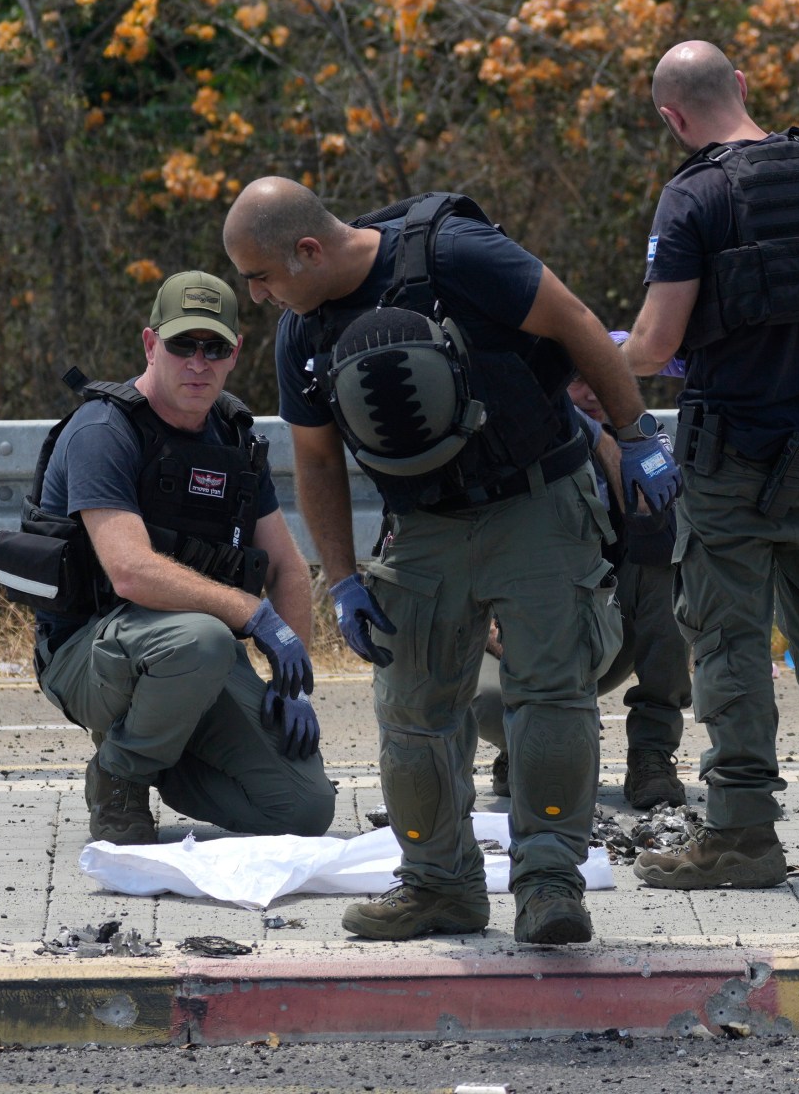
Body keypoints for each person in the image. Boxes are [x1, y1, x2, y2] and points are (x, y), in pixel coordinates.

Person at [222, 177, 679, 946]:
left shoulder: (456, 254)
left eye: (262, 277)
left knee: (550, 700)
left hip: (536, 498)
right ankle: (440, 887)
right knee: (412, 715)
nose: (260, 296)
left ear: (307, 250)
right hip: (425, 526)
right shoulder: (306, 333)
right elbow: (317, 463)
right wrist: (342, 580)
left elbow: (574, 322)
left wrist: (634, 436)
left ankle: (549, 887)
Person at [619, 40, 799, 888]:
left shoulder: (692, 196)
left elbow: (659, 342)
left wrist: (601, 351)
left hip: (734, 455)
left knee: (730, 641)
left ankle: (742, 833)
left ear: (671, 117)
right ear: (741, 85)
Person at [1, 270, 334, 846]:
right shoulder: (105, 430)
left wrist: (292, 685)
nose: (198, 363)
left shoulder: (233, 440)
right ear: (152, 345)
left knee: (304, 810)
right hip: (92, 656)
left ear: (236, 355)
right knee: (205, 638)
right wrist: (252, 617)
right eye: (183, 345)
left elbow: (286, 567)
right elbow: (129, 570)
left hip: (190, 660)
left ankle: (163, 752)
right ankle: (119, 778)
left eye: (215, 348)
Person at [473, 369, 690, 812]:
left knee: (665, 575)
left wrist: (617, 450)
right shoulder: (509, 442)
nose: (591, 393)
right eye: (574, 381)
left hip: (604, 631)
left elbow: (663, 539)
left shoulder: (645, 448)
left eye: (603, 379)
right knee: (487, 701)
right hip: (519, 637)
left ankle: (651, 753)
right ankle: (520, 747)